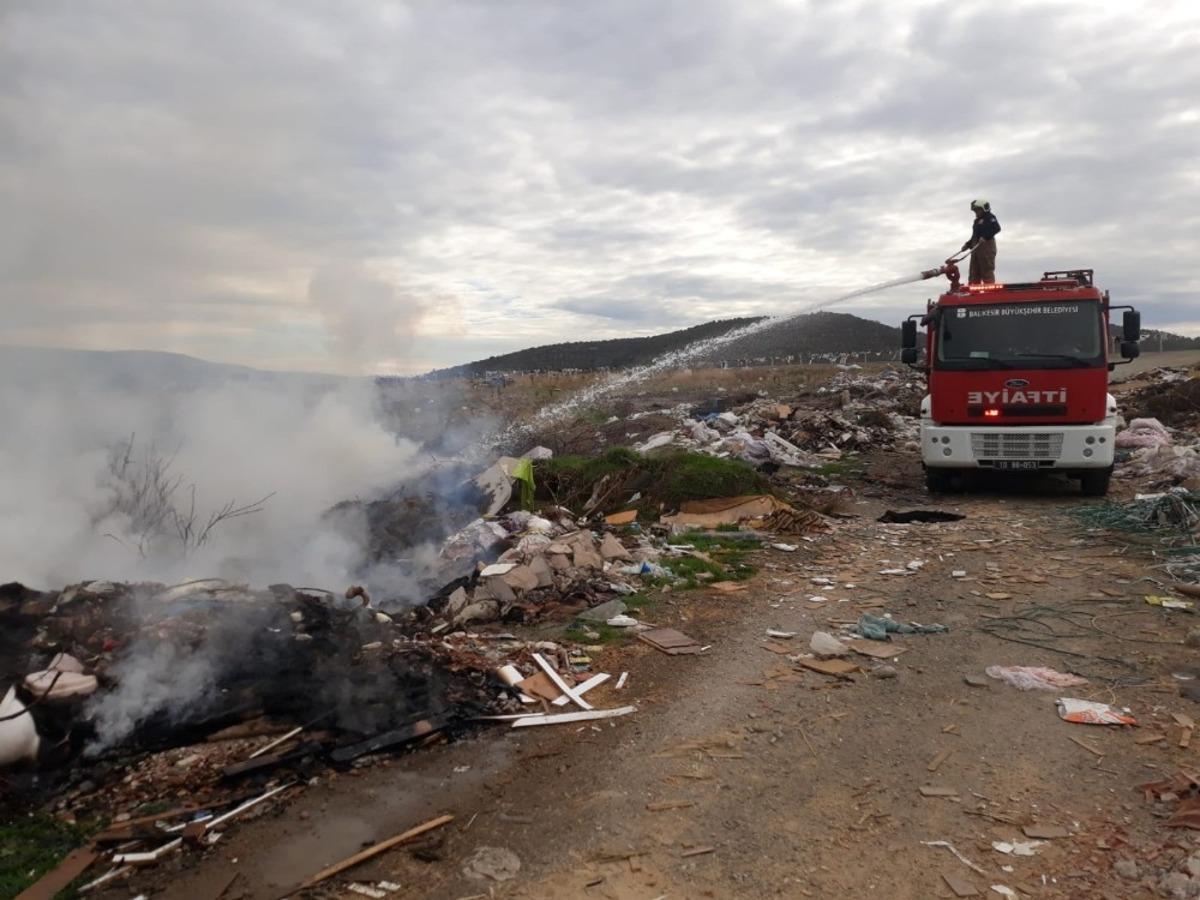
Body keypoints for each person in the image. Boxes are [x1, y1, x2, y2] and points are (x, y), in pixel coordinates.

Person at [962, 199, 1001, 283]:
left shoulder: (990, 217)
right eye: (975, 211)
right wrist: (967, 245)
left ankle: (990, 290)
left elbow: (997, 228)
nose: (976, 212)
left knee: (986, 271)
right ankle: (973, 289)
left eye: (977, 210)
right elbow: (975, 236)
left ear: (984, 209)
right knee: (973, 272)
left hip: (986, 248)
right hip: (976, 248)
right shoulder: (976, 221)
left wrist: (985, 237)